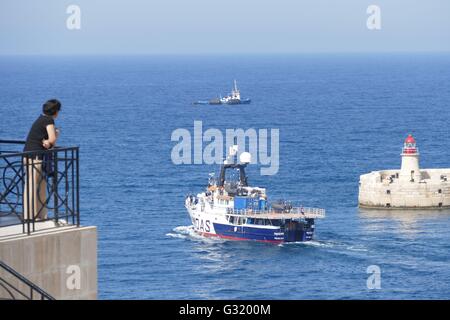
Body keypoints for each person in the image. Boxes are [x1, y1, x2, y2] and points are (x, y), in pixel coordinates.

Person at [23, 99, 61, 221]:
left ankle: (39, 215)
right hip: (36, 157)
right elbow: (52, 139)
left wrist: (49, 142)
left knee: (39, 186)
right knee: (33, 186)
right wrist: (53, 138)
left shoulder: (41, 119)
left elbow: (48, 141)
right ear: (55, 112)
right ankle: (30, 216)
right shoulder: (48, 120)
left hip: (30, 155)